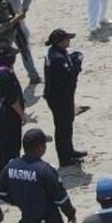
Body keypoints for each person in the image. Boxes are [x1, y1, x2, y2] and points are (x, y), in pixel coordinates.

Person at [42, 29, 85, 167]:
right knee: (63, 128)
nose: (69, 41)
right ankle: (65, 158)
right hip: (59, 98)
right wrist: (77, 64)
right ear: (59, 42)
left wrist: (71, 58)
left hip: (62, 96)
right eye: (66, 39)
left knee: (67, 124)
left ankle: (69, 151)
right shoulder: (57, 59)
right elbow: (69, 76)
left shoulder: (56, 53)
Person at [0, 44, 26, 170]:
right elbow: (12, 100)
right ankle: (10, 175)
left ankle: (3, 173)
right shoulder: (5, 74)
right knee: (12, 149)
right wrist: (22, 115)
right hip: (8, 118)